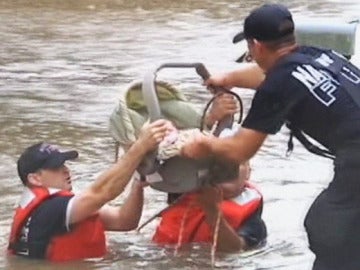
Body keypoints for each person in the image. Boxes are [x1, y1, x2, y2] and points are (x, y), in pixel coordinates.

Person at [181, 3, 360, 270]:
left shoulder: (277, 85)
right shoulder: (317, 54)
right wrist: (228, 77)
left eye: (250, 50)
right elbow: (273, 75)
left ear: (256, 46)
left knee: (326, 226)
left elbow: (240, 151)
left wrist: (200, 142)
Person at [8, 119, 172, 262]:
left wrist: (137, 185)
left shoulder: (48, 207)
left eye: (65, 164)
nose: (66, 170)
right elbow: (103, 192)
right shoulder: (52, 209)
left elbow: (124, 221)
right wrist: (140, 147)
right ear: (35, 178)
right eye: (56, 167)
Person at [152, 161, 267, 252]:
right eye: (222, 165)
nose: (230, 170)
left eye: (237, 163)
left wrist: (212, 211)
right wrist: (139, 184)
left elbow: (235, 250)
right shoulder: (182, 191)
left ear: (248, 173)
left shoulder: (253, 221)